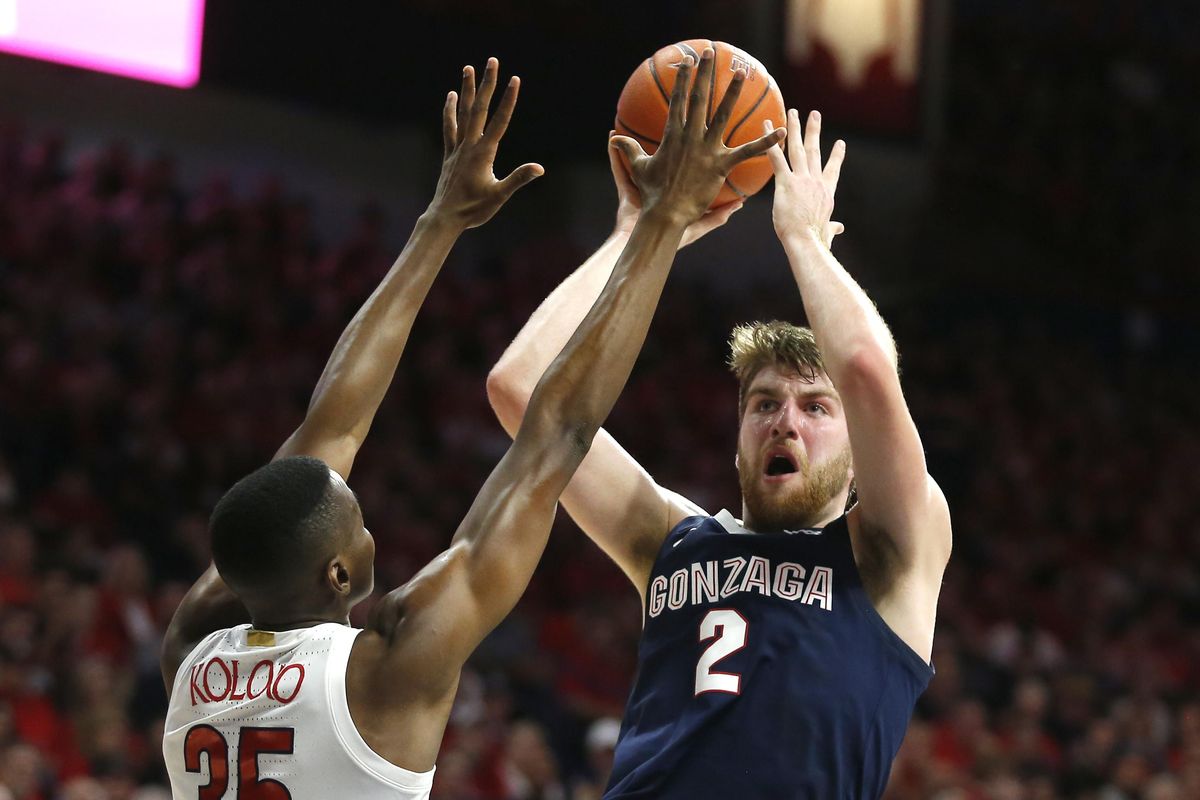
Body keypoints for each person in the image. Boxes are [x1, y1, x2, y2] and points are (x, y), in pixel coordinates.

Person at [160, 51, 781, 800]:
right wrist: (661, 223)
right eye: (355, 522)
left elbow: (331, 429)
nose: (367, 527)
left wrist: (439, 224)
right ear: (338, 575)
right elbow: (558, 437)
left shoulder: (191, 653)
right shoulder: (388, 670)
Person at [487, 96, 952, 798]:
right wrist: (641, 235)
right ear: (737, 433)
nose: (785, 422)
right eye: (764, 404)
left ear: (859, 448)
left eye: (815, 408)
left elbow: (863, 366)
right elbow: (521, 390)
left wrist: (803, 241)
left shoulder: (890, 551)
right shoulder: (670, 538)